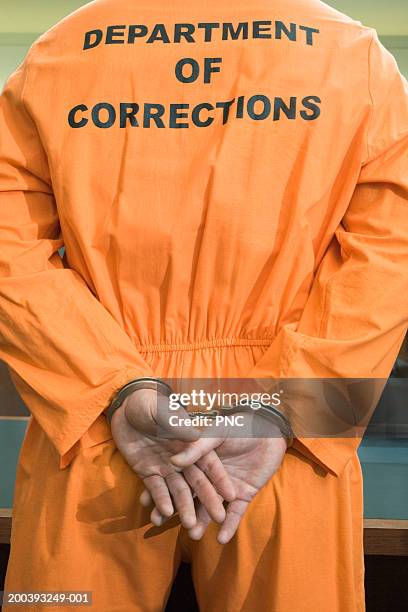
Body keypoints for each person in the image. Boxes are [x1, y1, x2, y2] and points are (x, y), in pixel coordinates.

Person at [1, 0, 407, 610]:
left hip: (103, 426)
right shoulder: (353, 57)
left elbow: (9, 248)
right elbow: (390, 257)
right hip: (280, 439)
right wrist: (293, 408)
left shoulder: (61, 53)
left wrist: (112, 384)